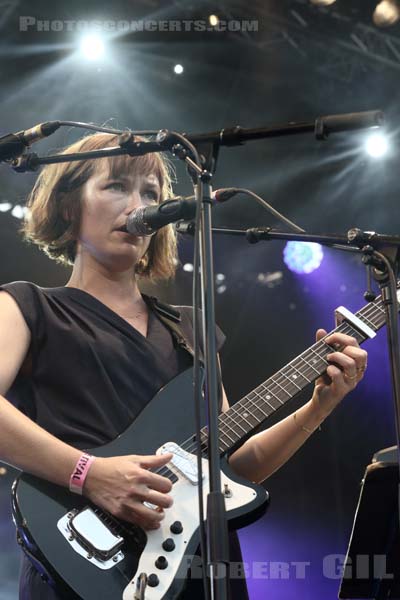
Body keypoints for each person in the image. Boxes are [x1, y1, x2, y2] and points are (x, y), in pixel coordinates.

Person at [0, 132, 367, 600]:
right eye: (117, 186)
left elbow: (231, 468)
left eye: (151, 194)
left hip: (197, 568)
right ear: (69, 205)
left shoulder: (192, 329)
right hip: (80, 564)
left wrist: (319, 405)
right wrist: (88, 473)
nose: (138, 205)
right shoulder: (26, 306)